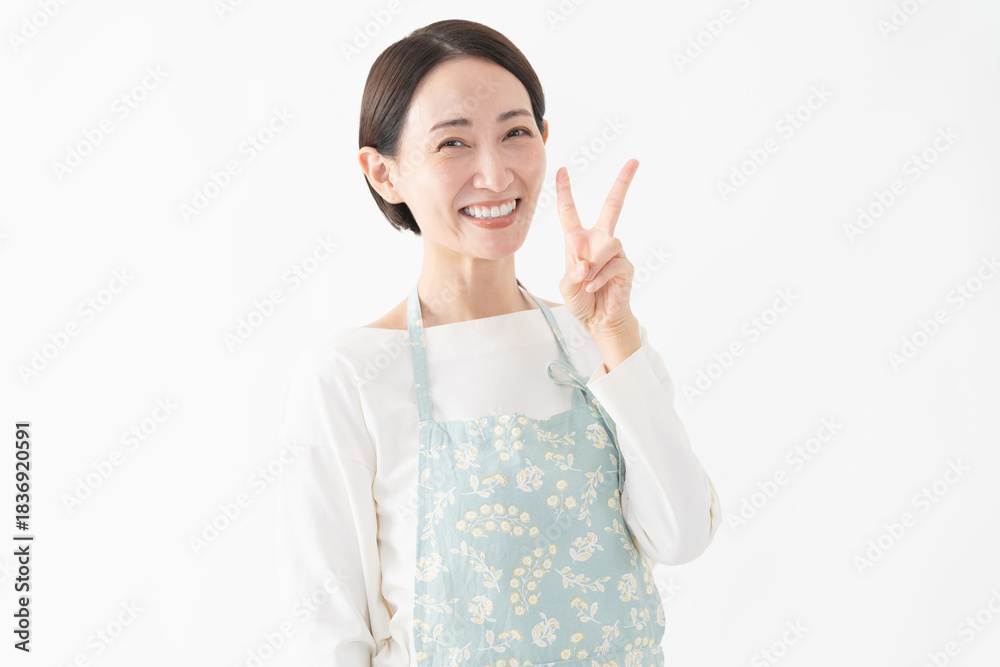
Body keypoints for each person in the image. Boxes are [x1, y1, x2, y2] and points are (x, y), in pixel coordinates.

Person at [277, 18, 721, 667]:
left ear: (544, 139)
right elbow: (329, 636)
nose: (494, 173)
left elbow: (682, 536)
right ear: (384, 173)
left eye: (515, 133)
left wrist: (614, 336)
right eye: (453, 143)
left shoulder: (597, 339)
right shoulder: (350, 375)